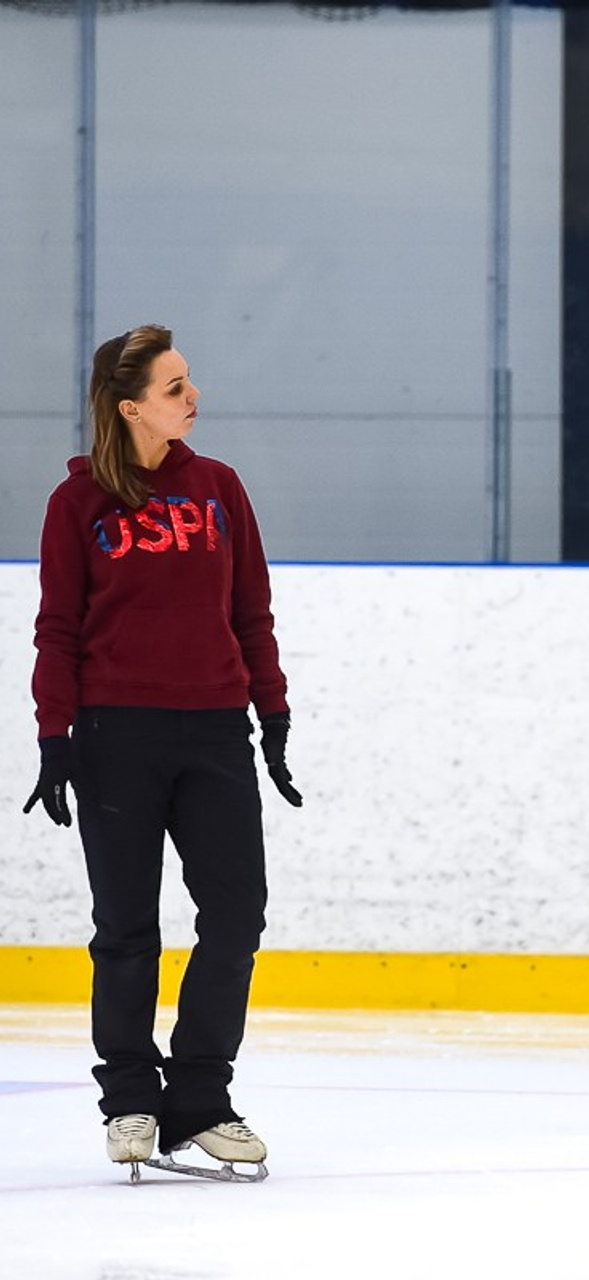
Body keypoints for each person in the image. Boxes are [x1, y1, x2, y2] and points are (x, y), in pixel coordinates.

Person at [24, 324, 303, 1181]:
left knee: (235, 917)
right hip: (116, 738)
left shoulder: (219, 488)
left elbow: (250, 612)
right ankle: (132, 1102)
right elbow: (59, 628)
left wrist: (273, 716)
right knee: (127, 929)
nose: (193, 398)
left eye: (189, 382)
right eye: (176, 387)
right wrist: (53, 734)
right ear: (130, 404)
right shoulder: (79, 505)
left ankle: (201, 1099)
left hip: (217, 732)